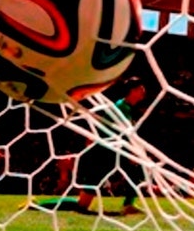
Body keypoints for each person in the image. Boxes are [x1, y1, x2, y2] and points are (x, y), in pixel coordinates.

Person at [31, 76, 146, 215]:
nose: (143, 91)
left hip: (113, 152)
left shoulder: (126, 107)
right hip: (103, 155)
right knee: (82, 204)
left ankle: (128, 204)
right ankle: (38, 205)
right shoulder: (121, 107)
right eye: (140, 88)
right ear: (132, 91)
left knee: (135, 172)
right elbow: (120, 132)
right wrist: (131, 152)